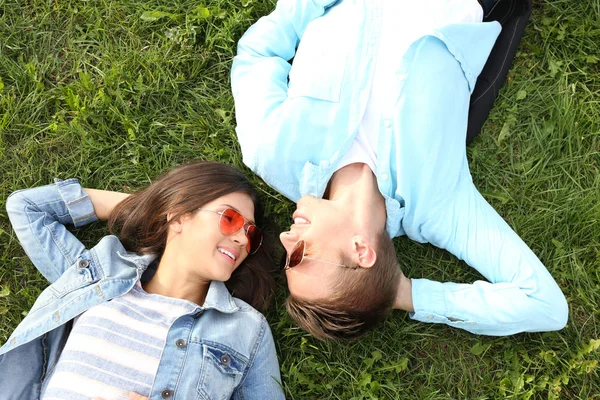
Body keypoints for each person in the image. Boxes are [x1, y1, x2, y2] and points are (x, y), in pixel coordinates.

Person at [230, 0, 568, 341]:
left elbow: (257, 55)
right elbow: (544, 304)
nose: (286, 239)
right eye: (300, 256)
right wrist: (403, 293)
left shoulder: (271, 151)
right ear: (361, 250)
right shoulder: (438, 204)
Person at [0, 161, 284, 399]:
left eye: (251, 234)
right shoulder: (99, 275)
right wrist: (153, 208)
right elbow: (26, 207)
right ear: (179, 217)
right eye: (230, 219)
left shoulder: (246, 329)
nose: (240, 239)